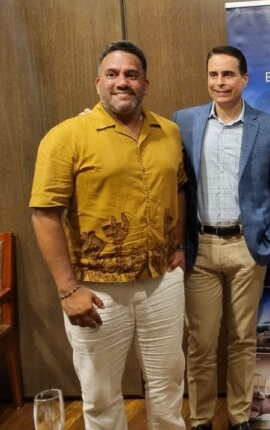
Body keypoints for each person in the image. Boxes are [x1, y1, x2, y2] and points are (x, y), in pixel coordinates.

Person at [29, 41, 187, 430]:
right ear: (98, 82)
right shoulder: (66, 136)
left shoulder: (168, 132)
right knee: (100, 396)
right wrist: (68, 289)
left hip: (162, 282)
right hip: (96, 290)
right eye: (112, 74)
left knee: (168, 386)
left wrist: (179, 244)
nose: (122, 82)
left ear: (145, 83)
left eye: (131, 75)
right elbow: (45, 214)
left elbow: (180, 187)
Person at [173, 45, 270, 430]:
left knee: (242, 339)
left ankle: (240, 416)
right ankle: (201, 419)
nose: (219, 82)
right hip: (200, 249)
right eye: (213, 75)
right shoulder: (185, 121)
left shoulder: (269, 126)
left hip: (248, 248)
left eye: (228, 74)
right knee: (201, 342)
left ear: (244, 79)